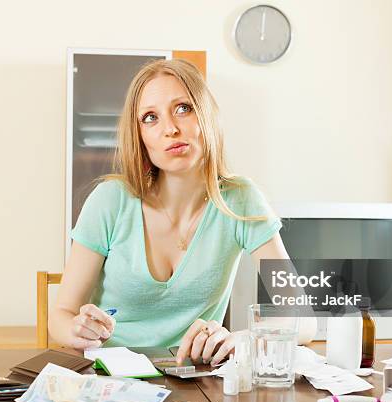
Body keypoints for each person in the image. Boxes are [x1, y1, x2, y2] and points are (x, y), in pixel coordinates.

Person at [49, 59, 316, 367]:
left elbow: (302, 320)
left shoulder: (240, 200)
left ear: (206, 116)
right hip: (110, 377)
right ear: (139, 136)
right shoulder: (110, 200)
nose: (170, 129)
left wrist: (239, 339)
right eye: (150, 118)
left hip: (194, 380)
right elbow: (60, 316)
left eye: (183, 108)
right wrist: (76, 329)